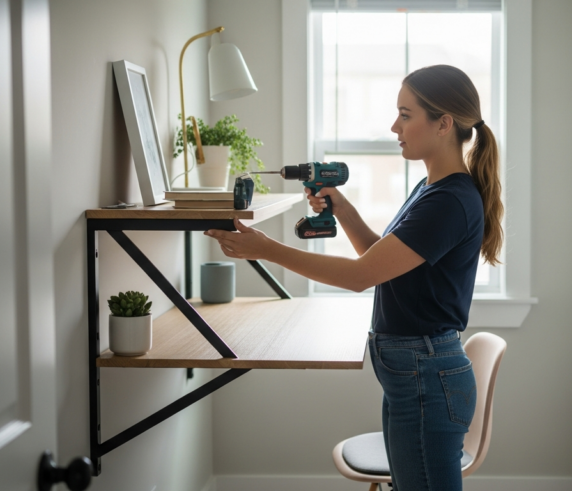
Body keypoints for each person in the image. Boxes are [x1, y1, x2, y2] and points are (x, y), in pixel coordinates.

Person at [204, 64, 503, 491]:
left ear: (443, 124)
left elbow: (360, 276)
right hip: (414, 376)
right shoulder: (431, 190)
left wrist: (266, 249)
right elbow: (379, 260)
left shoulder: (449, 201)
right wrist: (341, 209)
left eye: (405, 114)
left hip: (426, 377)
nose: (394, 126)